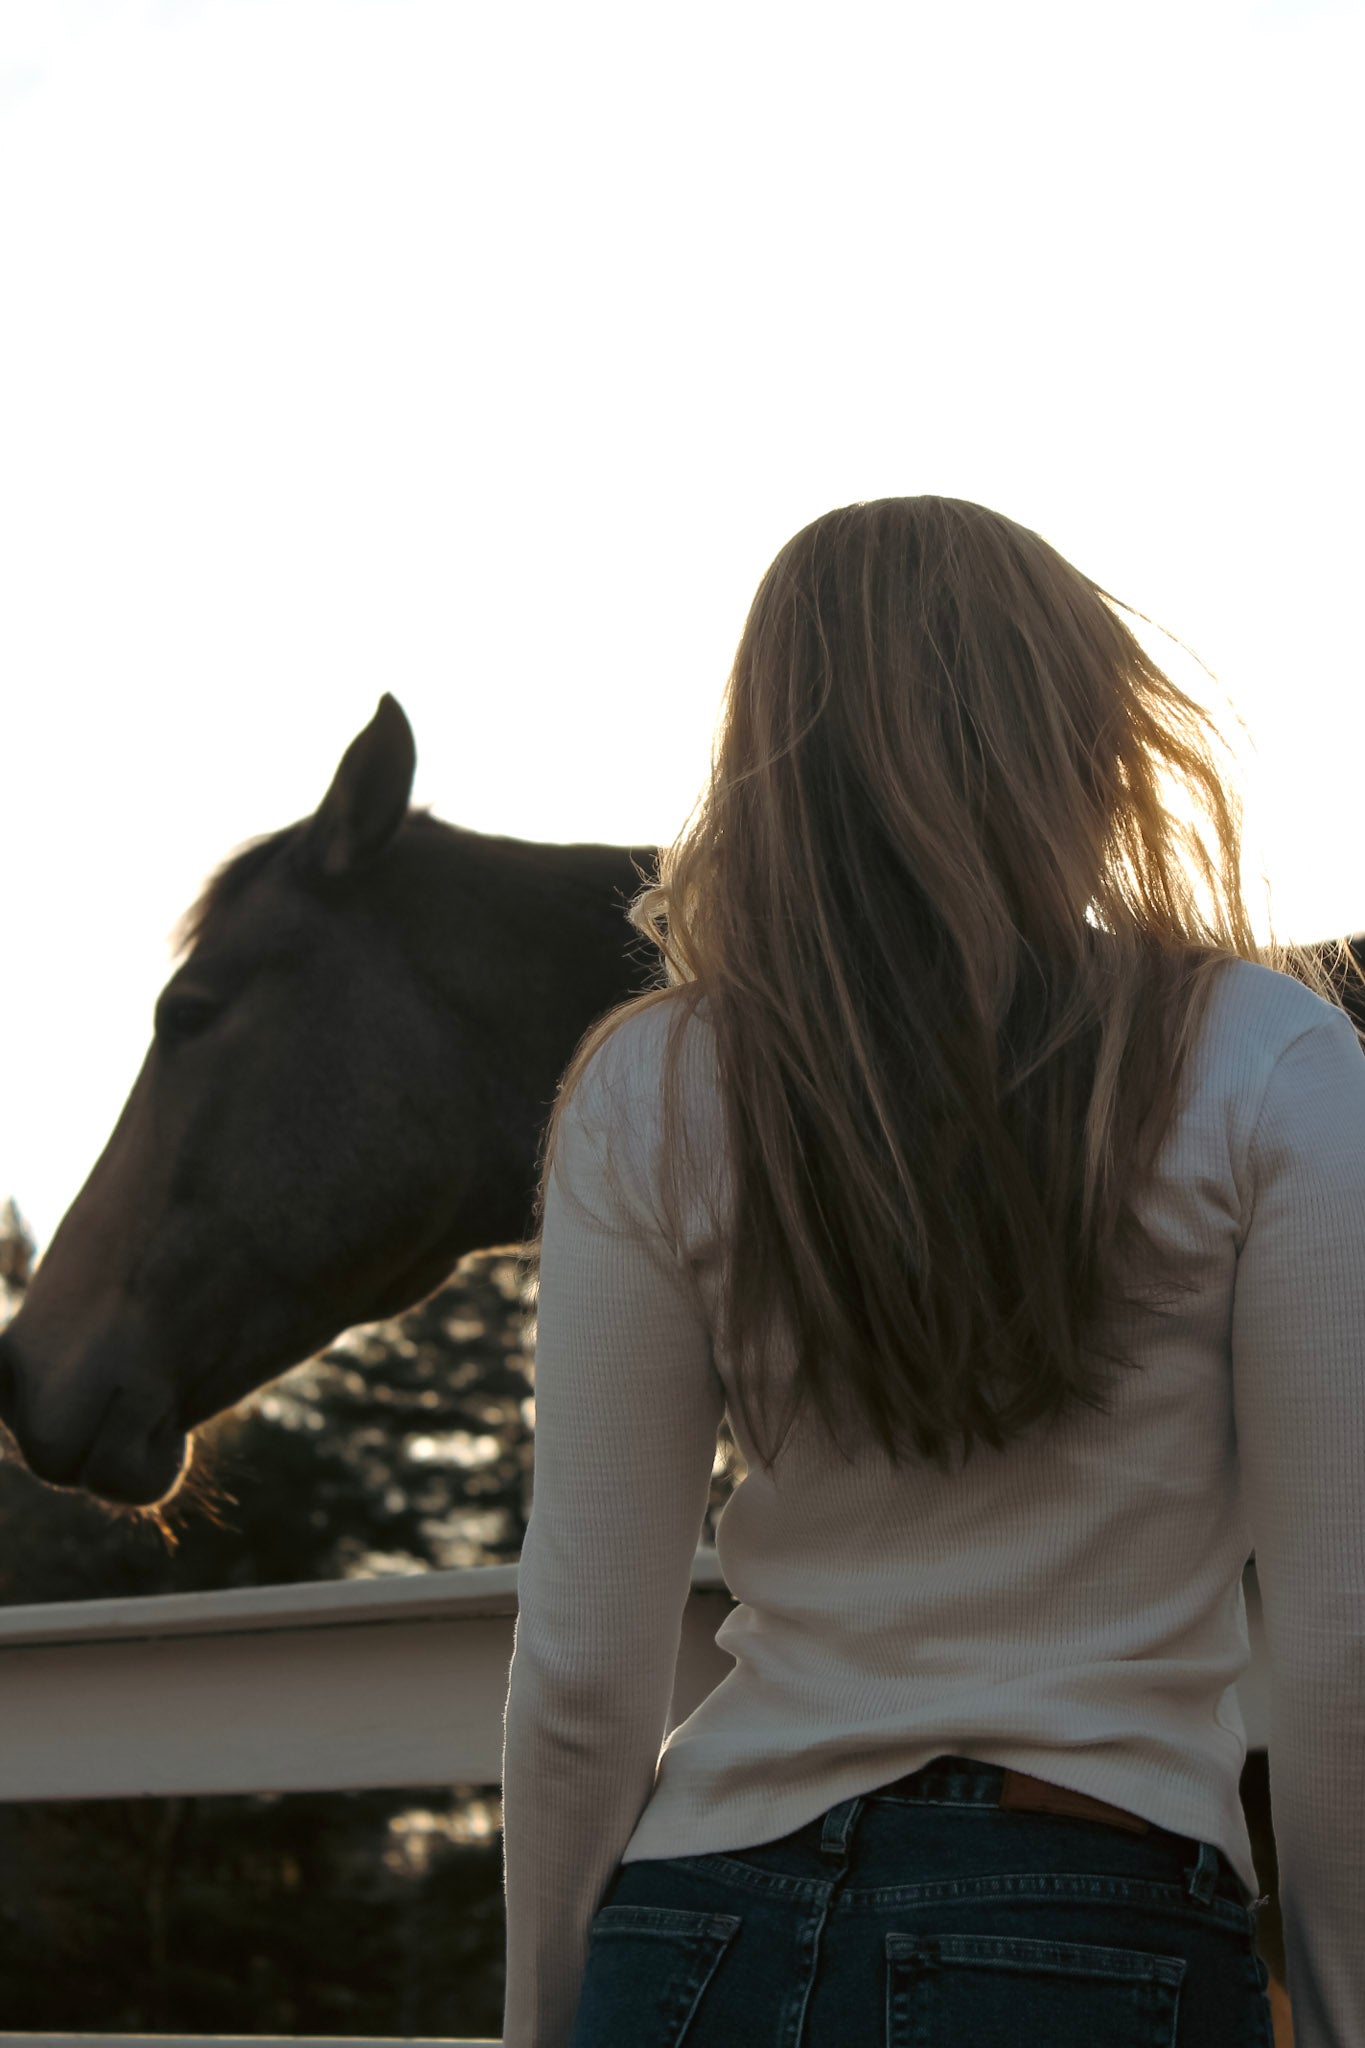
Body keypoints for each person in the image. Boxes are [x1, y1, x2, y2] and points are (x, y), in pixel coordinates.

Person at [500, 496, 1364, 2047]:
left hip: (697, 1925)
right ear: (1086, 738)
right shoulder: (1265, 1060)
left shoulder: (654, 1088)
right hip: (1081, 1928)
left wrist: (551, 2025)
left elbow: (579, 1670)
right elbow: (1342, 1638)